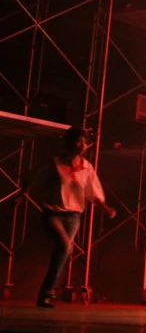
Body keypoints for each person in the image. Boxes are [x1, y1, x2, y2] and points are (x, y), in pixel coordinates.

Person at [14, 126, 116, 308]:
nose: (82, 145)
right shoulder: (55, 162)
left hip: (74, 216)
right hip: (53, 213)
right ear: (69, 142)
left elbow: (93, 192)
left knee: (64, 251)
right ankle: (49, 290)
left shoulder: (86, 168)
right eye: (78, 141)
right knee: (64, 246)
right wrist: (21, 194)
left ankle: (44, 295)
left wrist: (106, 207)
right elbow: (34, 176)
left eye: (85, 142)